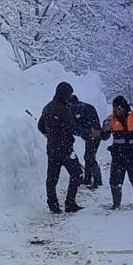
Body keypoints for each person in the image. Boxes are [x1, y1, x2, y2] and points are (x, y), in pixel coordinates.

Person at [37, 82, 93, 214]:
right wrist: (87, 133)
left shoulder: (47, 107)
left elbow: (40, 126)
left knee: (52, 177)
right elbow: (72, 128)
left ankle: (53, 205)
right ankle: (70, 203)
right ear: (64, 94)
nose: (69, 97)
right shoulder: (62, 109)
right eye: (69, 94)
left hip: (51, 147)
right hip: (65, 148)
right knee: (77, 173)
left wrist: (50, 135)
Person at [100, 96, 133, 209]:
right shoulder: (110, 119)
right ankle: (116, 204)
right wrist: (105, 130)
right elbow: (104, 137)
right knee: (115, 180)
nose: (116, 111)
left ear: (123, 107)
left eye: (118, 108)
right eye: (114, 109)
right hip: (118, 155)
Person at [69, 95, 103, 189]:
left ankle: (97, 181)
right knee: (88, 156)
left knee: (89, 157)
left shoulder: (77, 109)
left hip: (93, 134)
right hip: (94, 134)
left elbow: (75, 126)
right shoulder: (84, 107)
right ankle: (87, 179)